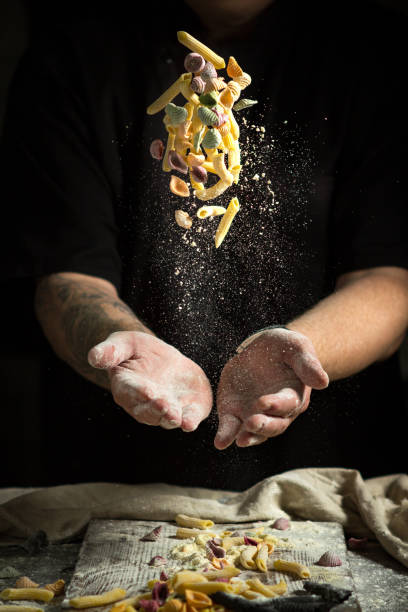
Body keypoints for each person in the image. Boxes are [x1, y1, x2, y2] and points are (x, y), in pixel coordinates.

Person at [2, 0, 408, 489]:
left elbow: (388, 279)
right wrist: (124, 348)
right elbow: (66, 272)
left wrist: (302, 351)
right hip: (118, 475)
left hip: (328, 474)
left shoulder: (376, 52)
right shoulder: (74, 51)